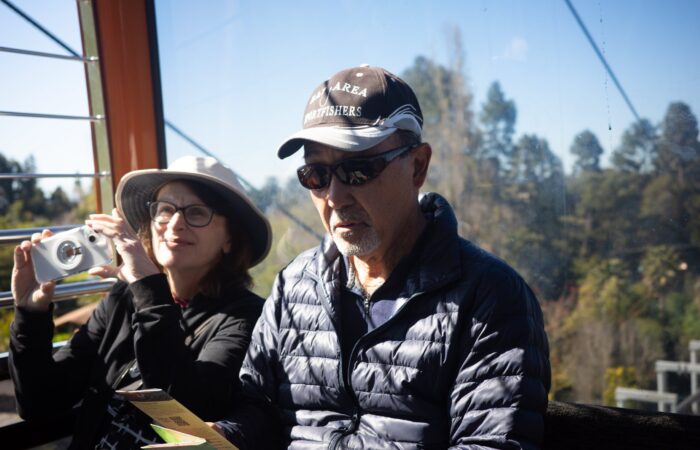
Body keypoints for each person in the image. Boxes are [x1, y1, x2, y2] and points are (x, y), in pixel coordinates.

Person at [217, 65, 551, 450]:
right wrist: (226, 435)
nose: (335, 196)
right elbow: (258, 407)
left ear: (418, 167)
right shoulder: (294, 285)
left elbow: (493, 443)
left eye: (358, 169)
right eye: (316, 174)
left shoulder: (488, 297)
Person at [9, 156, 271, 449]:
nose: (175, 224)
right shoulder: (123, 299)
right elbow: (39, 402)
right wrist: (31, 312)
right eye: (165, 210)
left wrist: (148, 289)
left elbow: (191, 414)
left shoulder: (246, 317)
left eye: (197, 213)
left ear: (230, 240)